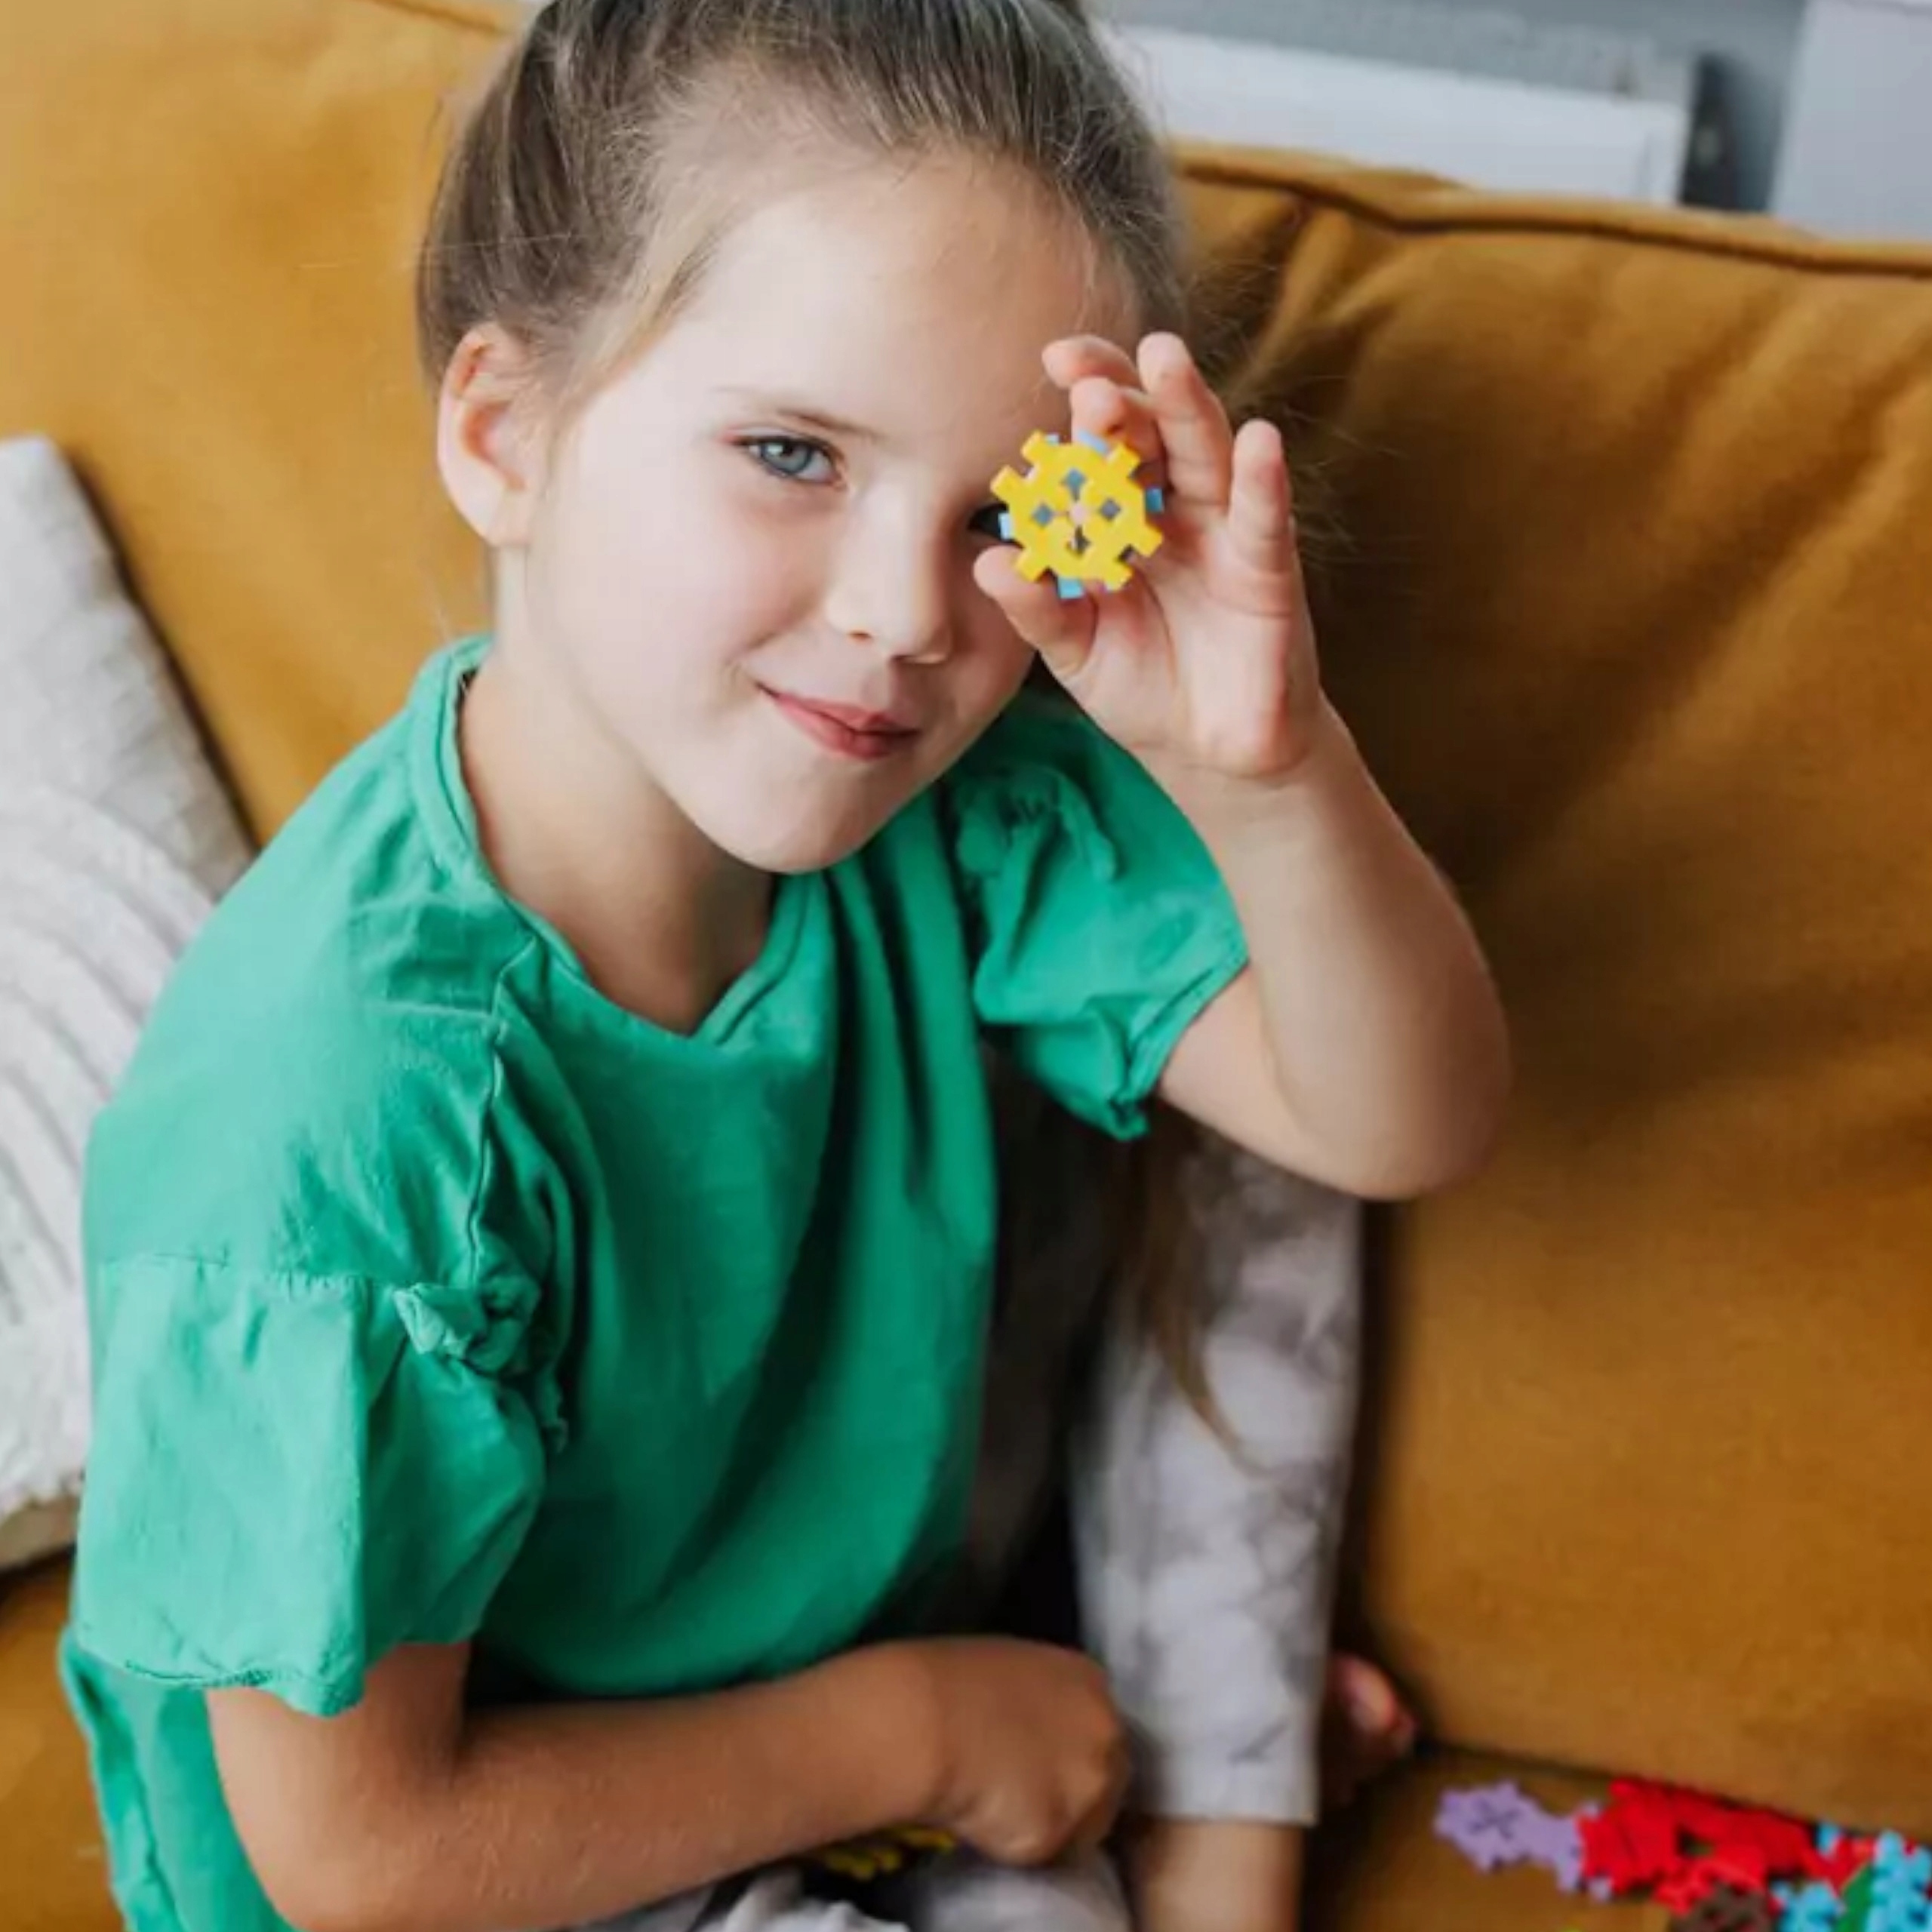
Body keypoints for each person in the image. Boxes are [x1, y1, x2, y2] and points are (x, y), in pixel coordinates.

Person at [62, 3, 1507, 1930]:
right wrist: (922, 1730)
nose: (903, 612)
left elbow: (1394, 1121)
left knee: (1266, 1047)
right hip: (522, 1853)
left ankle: (1215, 1845)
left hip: (849, 1693)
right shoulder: (339, 1111)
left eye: (994, 513)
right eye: (788, 453)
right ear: (504, 435)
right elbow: (367, 1858)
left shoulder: (959, 801)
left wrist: (1264, 775)